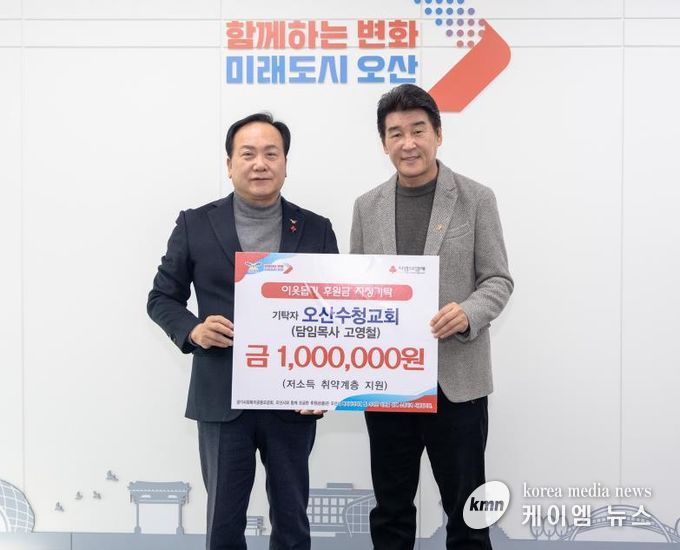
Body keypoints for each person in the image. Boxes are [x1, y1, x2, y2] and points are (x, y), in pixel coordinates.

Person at [148, 112, 338, 550]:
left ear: (285, 163)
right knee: (223, 523)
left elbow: (332, 316)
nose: (260, 164)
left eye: (271, 154)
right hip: (221, 395)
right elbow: (161, 298)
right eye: (248, 154)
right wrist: (194, 330)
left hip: (292, 397)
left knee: (292, 521)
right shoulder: (195, 223)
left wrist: (323, 384)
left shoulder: (316, 228)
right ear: (230, 164)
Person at [350, 84, 513, 549]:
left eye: (418, 130)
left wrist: (467, 313)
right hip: (388, 383)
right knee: (391, 511)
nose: (408, 143)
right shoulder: (366, 206)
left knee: (467, 515)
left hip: (456, 381)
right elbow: (358, 290)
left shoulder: (476, 198)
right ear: (383, 143)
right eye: (395, 133)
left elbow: (498, 279)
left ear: (438, 134)